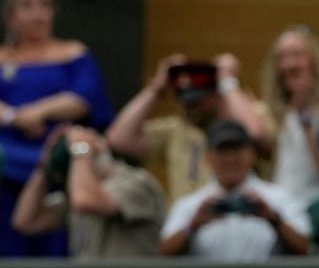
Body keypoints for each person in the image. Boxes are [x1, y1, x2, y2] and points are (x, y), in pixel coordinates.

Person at [0, 0, 113, 257]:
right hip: (4, 165)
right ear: (10, 17)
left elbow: (83, 98)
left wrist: (37, 112)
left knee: (61, 240)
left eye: (45, 6)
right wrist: (13, 117)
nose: (38, 14)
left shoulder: (75, 53)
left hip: (64, 157)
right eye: (27, 6)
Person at [106, 54, 272, 203]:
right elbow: (118, 139)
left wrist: (227, 82)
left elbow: (254, 133)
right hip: (187, 227)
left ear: (216, 93)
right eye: (184, 101)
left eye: (196, 102)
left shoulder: (250, 114)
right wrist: (156, 89)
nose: (189, 109)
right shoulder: (177, 129)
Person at [159, 120, 310, 260]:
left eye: (236, 150)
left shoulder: (279, 198)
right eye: (222, 151)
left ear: (252, 153)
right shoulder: (191, 205)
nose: (230, 158)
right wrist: (192, 226)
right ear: (208, 157)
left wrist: (274, 220)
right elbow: (164, 254)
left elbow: (305, 249)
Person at [11, 125, 165, 258]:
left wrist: (82, 148)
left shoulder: (136, 182)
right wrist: (44, 165)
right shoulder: (78, 191)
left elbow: (85, 201)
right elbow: (25, 221)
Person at [259, 25, 319, 209]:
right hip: (281, 205)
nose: (289, 65)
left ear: (314, 61)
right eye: (282, 58)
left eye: (296, 55)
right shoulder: (271, 111)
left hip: (318, 204)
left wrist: (305, 117)